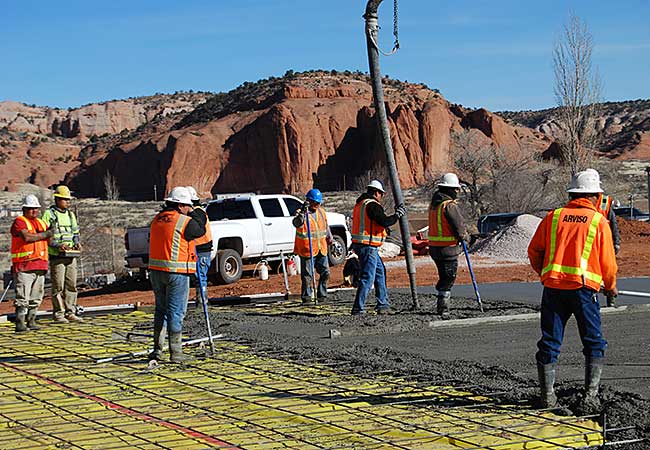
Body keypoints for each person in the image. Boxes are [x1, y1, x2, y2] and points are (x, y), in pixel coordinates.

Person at [528, 169, 618, 409]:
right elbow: (608, 262)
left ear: (572, 194)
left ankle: (547, 397)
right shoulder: (599, 221)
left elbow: (534, 251)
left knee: (549, 342)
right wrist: (610, 287)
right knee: (594, 342)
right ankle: (590, 396)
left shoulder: (553, 217)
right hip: (583, 291)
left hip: (554, 288)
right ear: (595, 196)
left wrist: (546, 274)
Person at [148, 186, 206, 363]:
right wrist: (198, 210)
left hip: (156, 272)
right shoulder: (183, 221)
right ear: (180, 205)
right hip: (176, 273)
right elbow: (200, 229)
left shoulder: (157, 219)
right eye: (187, 206)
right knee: (176, 312)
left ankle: (157, 349)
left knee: (161, 311)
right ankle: (176, 352)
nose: (189, 209)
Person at [350, 180, 406, 315]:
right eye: (381, 194)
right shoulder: (372, 205)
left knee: (380, 272)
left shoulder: (360, 204)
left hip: (362, 245)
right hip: (368, 246)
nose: (381, 197)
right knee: (368, 277)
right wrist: (397, 215)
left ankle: (383, 304)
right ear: (376, 192)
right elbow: (384, 220)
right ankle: (358, 308)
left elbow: (372, 223)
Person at [428, 173, 469, 317]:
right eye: (455, 189)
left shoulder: (434, 204)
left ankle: (442, 303)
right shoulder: (448, 205)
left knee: (444, 276)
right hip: (448, 249)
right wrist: (465, 237)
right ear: (450, 189)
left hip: (434, 248)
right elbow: (459, 226)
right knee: (448, 277)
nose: (457, 192)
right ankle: (443, 307)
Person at [10, 194, 53, 332]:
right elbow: (27, 238)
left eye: (36, 209)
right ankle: (20, 322)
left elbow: (50, 240)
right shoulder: (20, 221)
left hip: (40, 264)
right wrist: (47, 234)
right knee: (23, 295)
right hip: (24, 265)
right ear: (24, 209)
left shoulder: (41, 222)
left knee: (36, 296)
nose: (34, 211)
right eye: (31, 208)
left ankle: (31, 320)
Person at [41, 185, 83, 323]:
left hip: (71, 256)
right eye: (65, 200)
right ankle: (59, 313)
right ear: (58, 199)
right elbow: (45, 235)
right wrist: (58, 246)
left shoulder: (71, 215)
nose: (68, 202)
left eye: (68, 200)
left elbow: (75, 233)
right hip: (57, 256)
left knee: (71, 285)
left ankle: (70, 312)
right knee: (58, 286)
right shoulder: (49, 214)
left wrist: (77, 243)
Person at [584, 168, 621, 307]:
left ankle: (610, 298)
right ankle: (592, 298)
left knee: (609, 270)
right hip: (589, 242)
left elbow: (612, 222)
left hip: (604, 241)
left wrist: (616, 242)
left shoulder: (605, 201)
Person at [292, 188, 331, 304]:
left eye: (318, 202)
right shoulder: (301, 213)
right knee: (307, 275)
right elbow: (296, 223)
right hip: (307, 249)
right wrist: (303, 213)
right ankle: (307, 297)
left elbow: (326, 226)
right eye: (315, 202)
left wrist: (330, 238)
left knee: (326, 272)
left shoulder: (321, 212)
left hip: (321, 248)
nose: (317, 205)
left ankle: (322, 294)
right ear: (308, 201)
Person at [187, 187, 213, 308]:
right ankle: (201, 302)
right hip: (198, 249)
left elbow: (198, 230)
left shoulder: (197, 212)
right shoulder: (198, 211)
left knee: (200, 277)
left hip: (201, 249)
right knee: (199, 277)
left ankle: (202, 303)